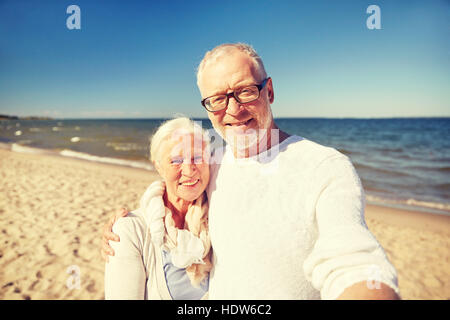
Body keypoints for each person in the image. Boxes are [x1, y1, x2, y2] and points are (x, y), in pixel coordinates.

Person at [102, 43, 400, 300]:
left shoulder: (323, 167)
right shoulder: (212, 164)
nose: (233, 110)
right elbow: (174, 188)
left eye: (245, 91)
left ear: (268, 90)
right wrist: (125, 224)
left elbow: (350, 257)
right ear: (207, 106)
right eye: (217, 99)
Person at [104, 117, 213, 299]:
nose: (189, 169)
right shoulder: (130, 231)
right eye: (176, 160)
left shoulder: (220, 216)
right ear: (159, 167)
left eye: (197, 157)